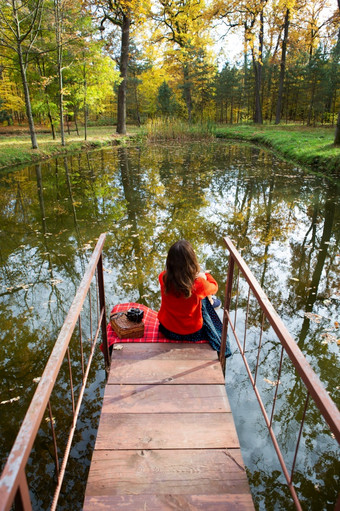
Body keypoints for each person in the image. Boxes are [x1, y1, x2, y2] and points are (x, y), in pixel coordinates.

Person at [158, 240, 231, 356]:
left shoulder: (163, 277)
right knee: (204, 299)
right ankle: (212, 302)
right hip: (192, 333)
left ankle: (211, 302)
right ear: (192, 261)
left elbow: (178, 282)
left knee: (199, 298)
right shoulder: (199, 284)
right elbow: (214, 287)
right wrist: (205, 276)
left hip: (167, 330)